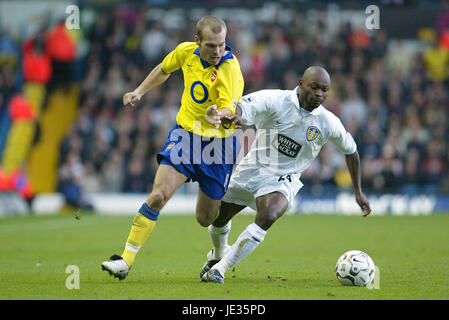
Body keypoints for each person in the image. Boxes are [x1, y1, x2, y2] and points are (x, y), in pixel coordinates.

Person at [101, 16, 244, 280]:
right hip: (185, 137)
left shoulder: (230, 68)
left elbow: (229, 108)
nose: (217, 52)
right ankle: (125, 260)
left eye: (221, 45)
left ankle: (218, 252)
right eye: (211, 45)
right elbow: (164, 69)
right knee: (158, 195)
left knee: (206, 218)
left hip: (218, 146)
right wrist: (140, 91)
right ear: (197, 41)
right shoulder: (184, 52)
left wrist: (217, 114)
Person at [200, 66, 371, 284]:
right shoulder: (276, 100)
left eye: (325, 90)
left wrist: (358, 192)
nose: (319, 94)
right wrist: (237, 116)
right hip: (251, 169)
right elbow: (242, 106)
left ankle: (220, 270)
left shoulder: (328, 122)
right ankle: (217, 254)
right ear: (301, 84)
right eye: (314, 87)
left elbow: (351, 151)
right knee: (217, 218)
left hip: (284, 178)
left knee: (269, 214)